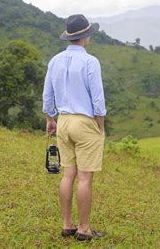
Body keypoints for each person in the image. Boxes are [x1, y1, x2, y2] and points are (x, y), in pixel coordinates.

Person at [42, 14, 107, 241]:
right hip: (84, 122)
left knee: (68, 174)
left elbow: (47, 96)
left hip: (63, 121)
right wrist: (100, 125)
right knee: (85, 177)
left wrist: (50, 120)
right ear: (85, 36)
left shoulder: (55, 60)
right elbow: (97, 99)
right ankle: (84, 228)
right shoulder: (90, 62)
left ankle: (67, 225)